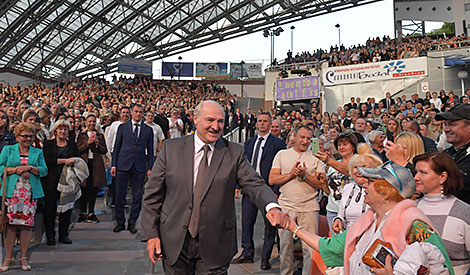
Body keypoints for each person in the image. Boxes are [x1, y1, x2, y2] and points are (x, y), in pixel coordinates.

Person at [141, 100, 287, 274]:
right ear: (195, 119)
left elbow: (254, 183)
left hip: (216, 243)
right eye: (210, 120)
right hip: (175, 241)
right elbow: (152, 195)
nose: (216, 126)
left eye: (220, 121)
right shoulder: (170, 149)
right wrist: (152, 235)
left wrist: (272, 206)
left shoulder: (234, 152)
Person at [281, 161, 454, 275]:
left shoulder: (415, 226)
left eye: (371, 182)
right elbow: (331, 246)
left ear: (386, 192)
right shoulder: (368, 220)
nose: (364, 184)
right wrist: (292, 226)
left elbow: (443, 269)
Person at [232, 112, 286, 270]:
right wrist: (237, 185)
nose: (262, 123)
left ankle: (265, 257)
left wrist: (275, 190)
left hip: (268, 189)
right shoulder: (249, 142)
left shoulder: (278, 143)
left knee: (270, 224)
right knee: (247, 222)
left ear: (270, 124)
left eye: (265, 121)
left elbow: (280, 168)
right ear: (256, 124)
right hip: (249, 188)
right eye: (260, 121)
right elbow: (241, 166)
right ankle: (247, 253)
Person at [269, 125, 326, 275]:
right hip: (286, 206)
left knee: (310, 248)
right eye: (302, 137)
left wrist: (305, 176)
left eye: (308, 138)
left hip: (310, 207)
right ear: (294, 136)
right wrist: (291, 174)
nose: (305, 141)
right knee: (285, 246)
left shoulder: (317, 157)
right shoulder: (282, 154)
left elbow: (321, 184)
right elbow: (272, 179)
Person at [0, 123, 47, 272]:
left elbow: (44, 170)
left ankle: (24, 258)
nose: (28, 139)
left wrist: (30, 168)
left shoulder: (37, 152)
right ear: (17, 136)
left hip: (29, 194)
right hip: (11, 193)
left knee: (26, 227)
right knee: (10, 227)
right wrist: (16, 170)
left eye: (30, 136)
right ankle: (8, 258)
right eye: (24, 136)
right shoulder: (8, 150)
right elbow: (0, 167)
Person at [414, 152, 470, 274]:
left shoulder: (464, 212)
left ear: (443, 177)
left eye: (423, 172)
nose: (416, 177)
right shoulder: (411, 208)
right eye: (416, 172)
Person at [111, 104, 154, 234]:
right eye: (136, 111)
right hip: (123, 164)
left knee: (137, 196)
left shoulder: (148, 130)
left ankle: (132, 222)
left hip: (139, 166)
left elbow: (150, 151)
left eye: (141, 112)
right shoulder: (122, 127)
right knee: (119, 195)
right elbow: (116, 147)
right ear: (131, 112)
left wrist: (150, 168)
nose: (138, 114)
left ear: (143, 114)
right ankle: (119, 222)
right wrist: (114, 164)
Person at [41, 120, 78, 245]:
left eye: (65, 129)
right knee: (50, 209)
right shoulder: (49, 144)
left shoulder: (72, 145)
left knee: (66, 209)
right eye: (60, 129)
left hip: (67, 181)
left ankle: (64, 234)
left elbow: (76, 160)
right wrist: (64, 161)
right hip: (51, 180)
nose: (63, 131)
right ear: (55, 130)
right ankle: (50, 235)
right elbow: (47, 160)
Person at [332, 144, 383, 233]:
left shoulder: (379, 190)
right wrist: (338, 220)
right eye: (356, 167)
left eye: (364, 167)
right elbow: (341, 213)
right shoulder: (348, 188)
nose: (359, 171)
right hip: (346, 236)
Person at [435, 104, 470, 204]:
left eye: (452, 124)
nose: (446, 129)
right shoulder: (447, 153)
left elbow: (454, 186)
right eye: (445, 124)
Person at [76, 114, 107, 223]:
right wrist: (87, 143)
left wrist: (98, 145)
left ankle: (91, 212)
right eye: (89, 121)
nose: (91, 124)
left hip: (95, 163)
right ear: (86, 122)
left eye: (93, 122)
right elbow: (78, 149)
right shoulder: (82, 135)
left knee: (93, 188)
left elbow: (104, 150)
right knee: (83, 188)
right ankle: (83, 211)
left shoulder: (100, 135)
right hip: (84, 164)